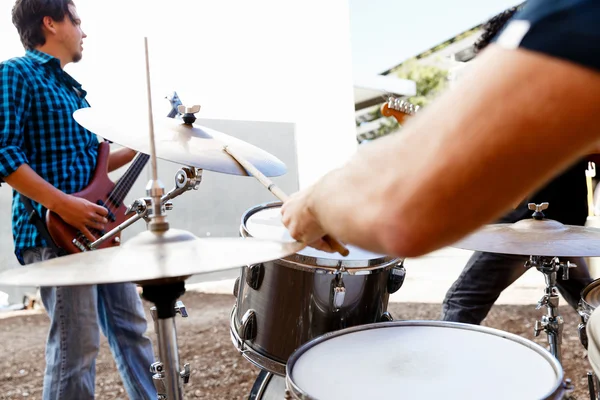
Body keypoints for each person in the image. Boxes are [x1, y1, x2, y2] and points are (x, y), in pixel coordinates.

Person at [280, 0, 600, 260]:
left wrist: (313, 203)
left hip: (547, 223)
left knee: (464, 298)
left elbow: (402, 213)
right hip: (552, 227)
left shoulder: (571, 17)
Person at [0, 1, 157, 399]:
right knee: (78, 345)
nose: (84, 31)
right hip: (53, 231)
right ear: (50, 23)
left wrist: (156, 140)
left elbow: (97, 161)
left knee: (131, 329)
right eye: (78, 20)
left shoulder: (76, 94)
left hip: (99, 231)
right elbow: (4, 153)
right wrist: (63, 204)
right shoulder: (15, 73)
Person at [440, 5, 594, 324]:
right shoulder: (563, 94)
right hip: (564, 222)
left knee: (462, 301)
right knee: (589, 303)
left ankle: (449, 368)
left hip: (527, 220)